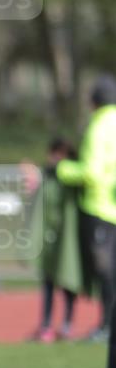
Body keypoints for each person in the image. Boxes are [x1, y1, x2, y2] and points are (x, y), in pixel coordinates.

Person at [56, 75, 116, 342]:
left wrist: (63, 169)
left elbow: (91, 173)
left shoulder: (98, 127)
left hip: (100, 208)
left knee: (106, 274)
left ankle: (106, 327)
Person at [22, 138, 82, 342]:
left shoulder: (75, 179)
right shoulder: (45, 177)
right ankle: (46, 325)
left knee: (69, 282)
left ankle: (67, 325)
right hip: (49, 240)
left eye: (62, 154)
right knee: (48, 283)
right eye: (55, 153)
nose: (57, 159)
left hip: (69, 240)